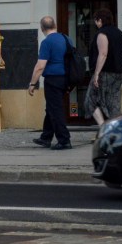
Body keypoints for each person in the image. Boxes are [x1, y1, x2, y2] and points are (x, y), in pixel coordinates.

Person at [27, 16, 71, 150]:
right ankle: (46, 137)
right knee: (51, 108)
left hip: (53, 79)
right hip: (65, 78)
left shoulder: (47, 42)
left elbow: (40, 66)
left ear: (42, 28)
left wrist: (32, 84)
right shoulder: (66, 38)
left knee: (56, 109)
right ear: (55, 25)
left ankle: (64, 140)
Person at [86, 8, 122, 124]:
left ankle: (104, 129)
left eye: (95, 20)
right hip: (119, 72)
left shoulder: (102, 33)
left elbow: (103, 54)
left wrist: (97, 73)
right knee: (113, 103)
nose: (95, 23)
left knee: (90, 101)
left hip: (106, 72)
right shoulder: (119, 32)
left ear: (100, 20)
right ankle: (117, 131)